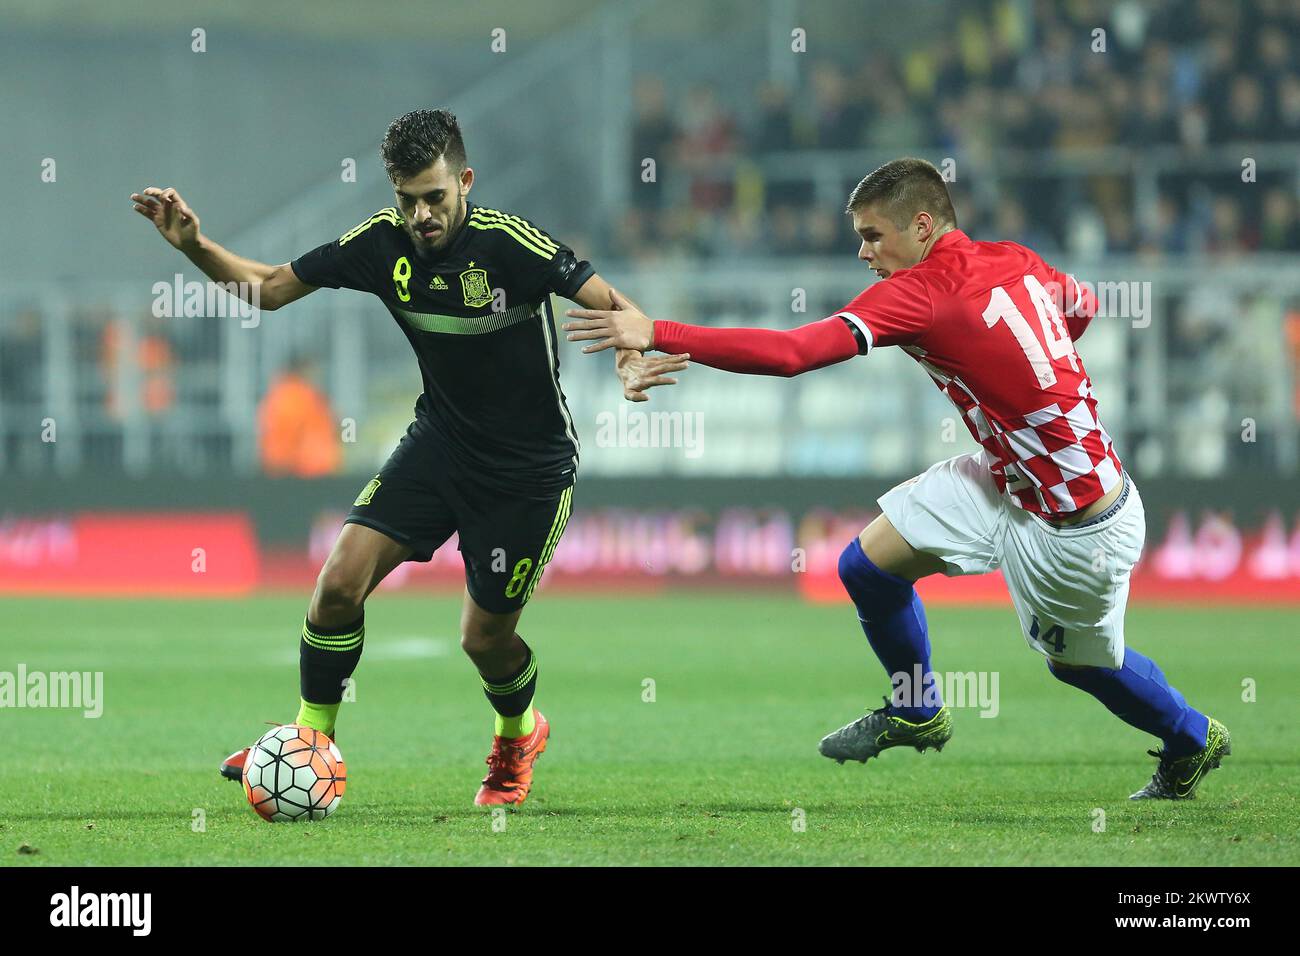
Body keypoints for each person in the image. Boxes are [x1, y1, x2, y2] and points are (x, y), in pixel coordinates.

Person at [564, 157, 1230, 800]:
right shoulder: (1012, 257)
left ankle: (1191, 737)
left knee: (1079, 666)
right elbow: (1079, 308)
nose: (864, 253)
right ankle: (918, 709)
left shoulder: (920, 294)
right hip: (1009, 480)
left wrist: (659, 330)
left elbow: (795, 354)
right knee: (867, 568)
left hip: (1076, 525)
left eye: (872, 235)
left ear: (921, 226)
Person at [131, 109, 686, 807]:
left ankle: (519, 733)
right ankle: (309, 741)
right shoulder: (379, 245)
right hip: (439, 446)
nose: (421, 214)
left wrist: (632, 359)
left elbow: (614, 305)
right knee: (337, 585)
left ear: (465, 181)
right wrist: (195, 246)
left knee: (483, 640)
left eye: (434, 196)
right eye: (407, 198)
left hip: (527, 471)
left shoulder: (509, 244)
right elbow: (269, 289)